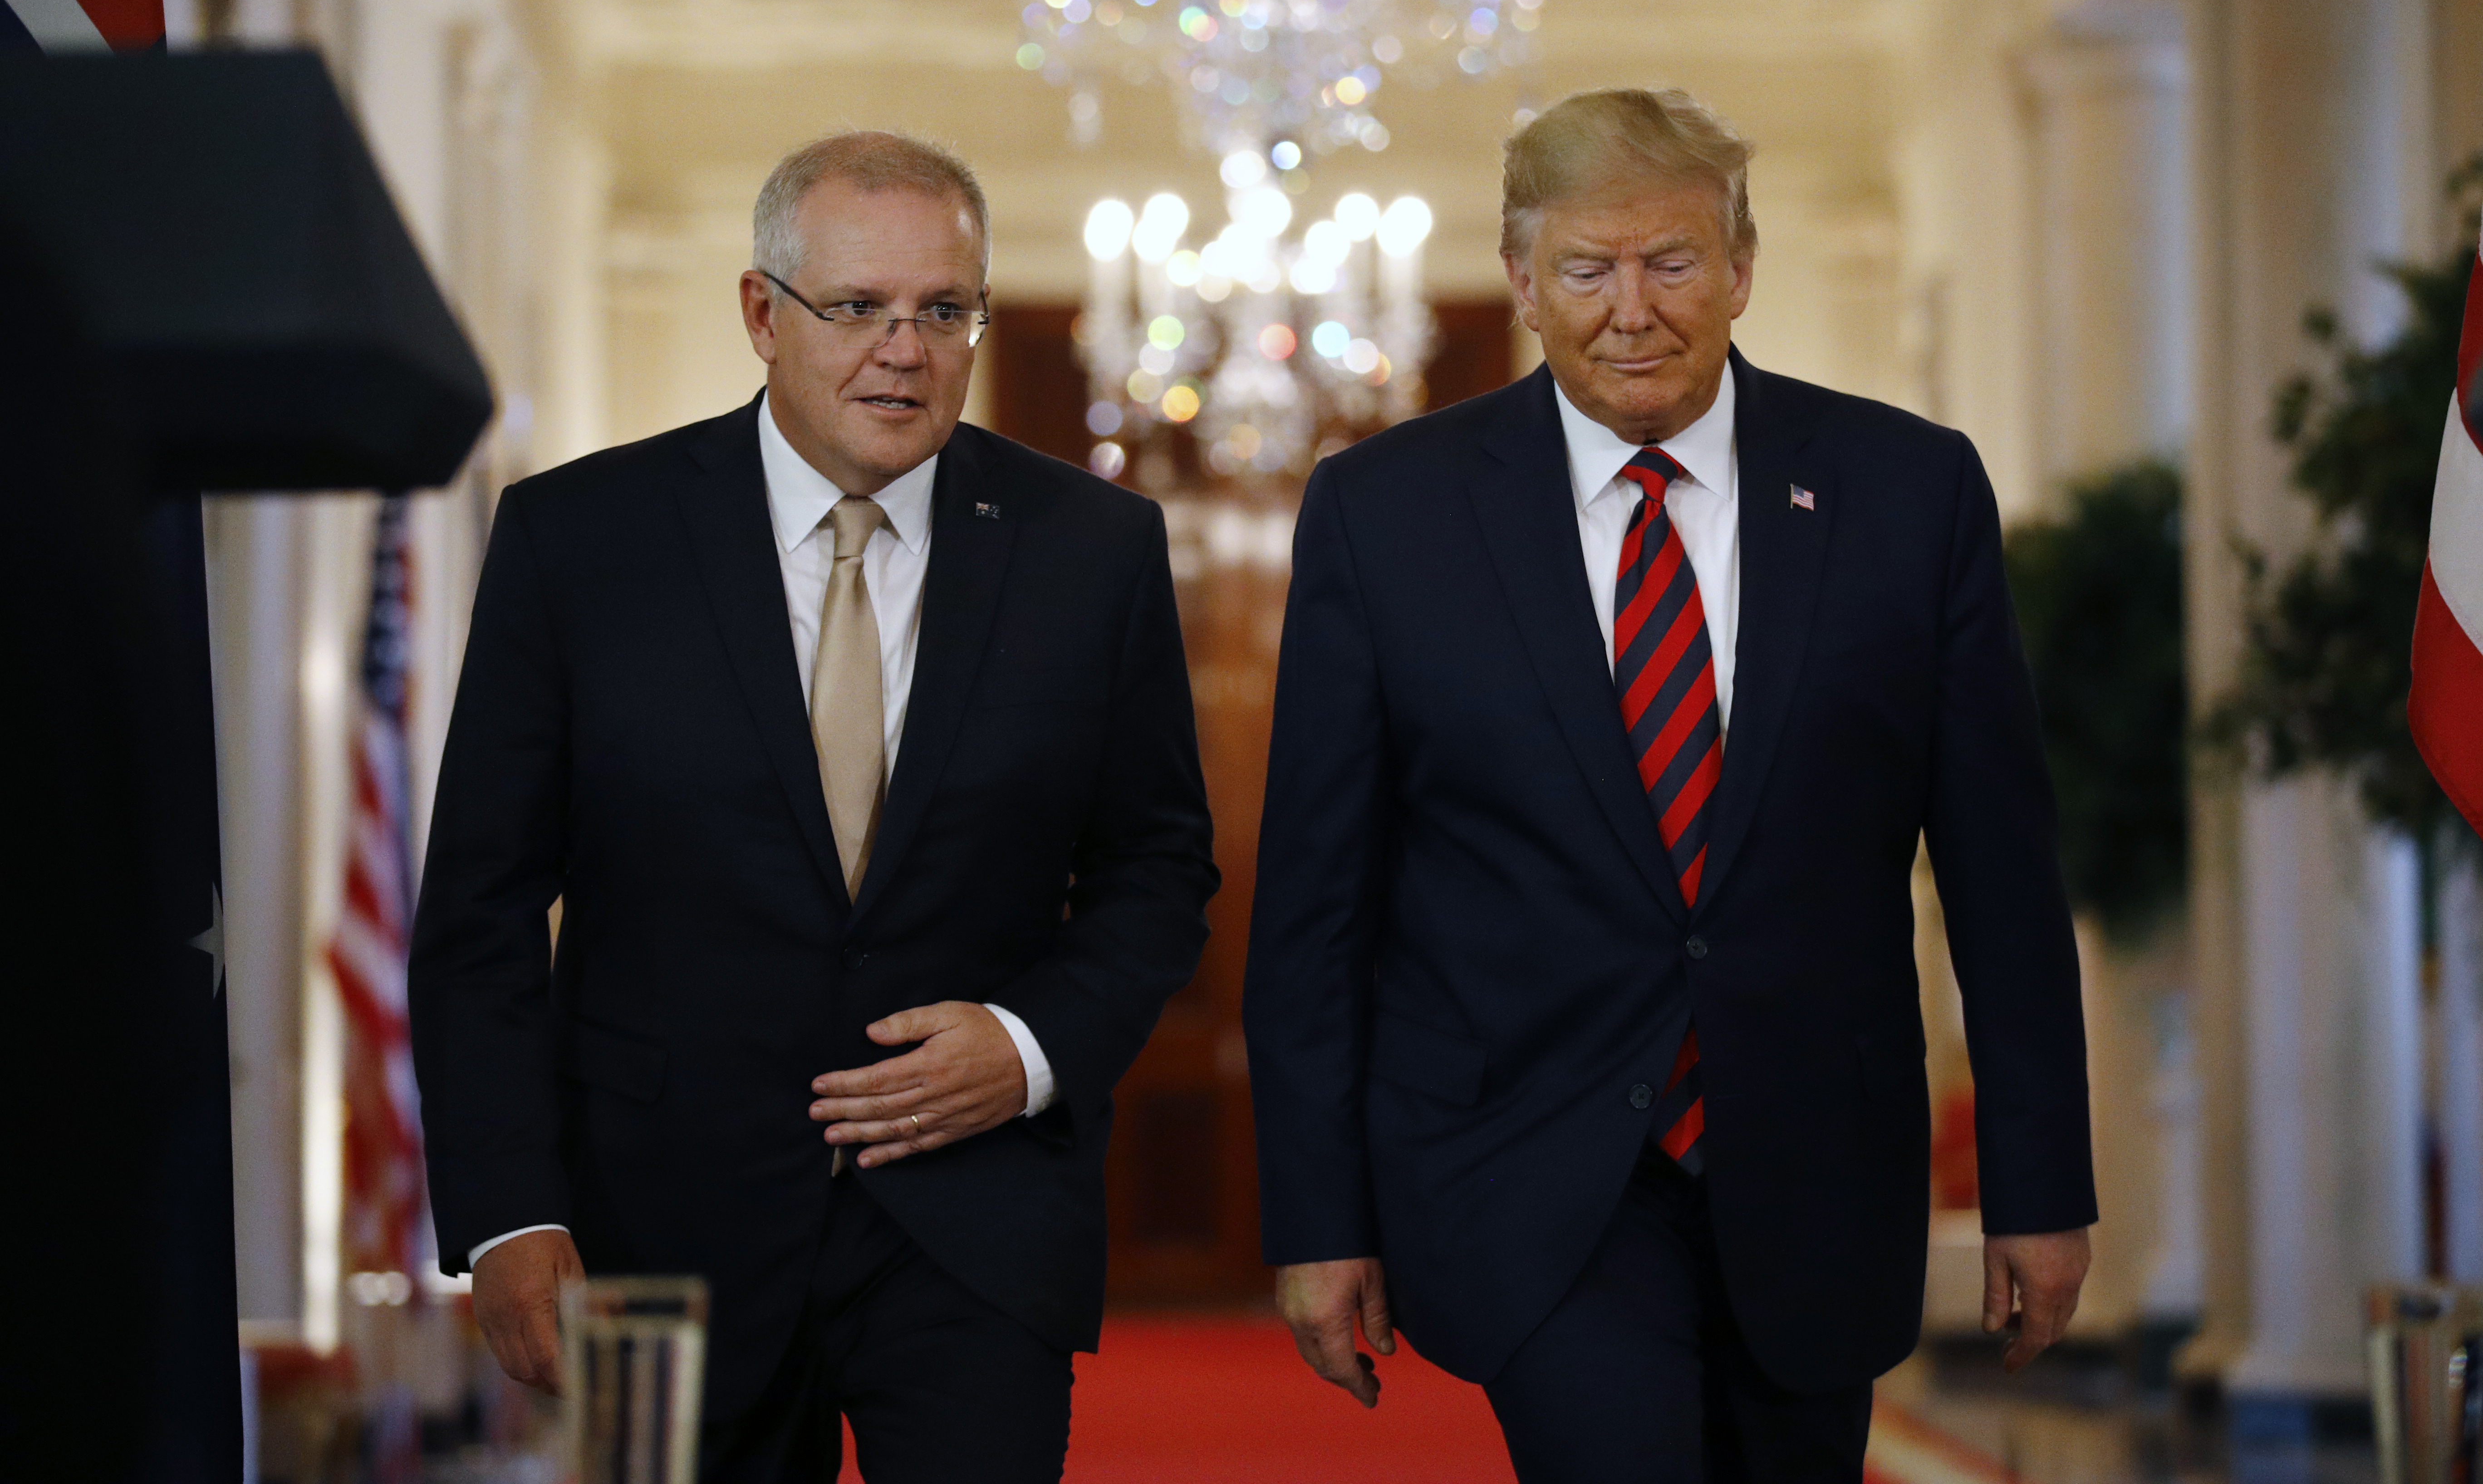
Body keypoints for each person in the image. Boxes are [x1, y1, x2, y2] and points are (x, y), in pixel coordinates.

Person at [1242, 87, 2096, 1482]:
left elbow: (2005, 872)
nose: (1630, 308)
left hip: (1821, 1168)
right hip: (1526, 1171)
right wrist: (1319, 1221)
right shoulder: (1388, 514)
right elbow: (1315, 910)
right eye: (1587, 268)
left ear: (1742, 269)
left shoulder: (1909, 491)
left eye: (1673, 262)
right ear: (1523, 282)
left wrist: (2040, 1187)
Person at [409, 130, 1218, 1483]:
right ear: (759, 315)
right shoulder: (579, 542)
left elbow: (1158, 870)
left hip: (977, 1228)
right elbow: (481, 910)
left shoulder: (1095, 551)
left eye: (942, 311)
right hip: (660, 1227)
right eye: (856, 308)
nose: (903, 349)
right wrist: (505, 1214)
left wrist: (1026, 1046)